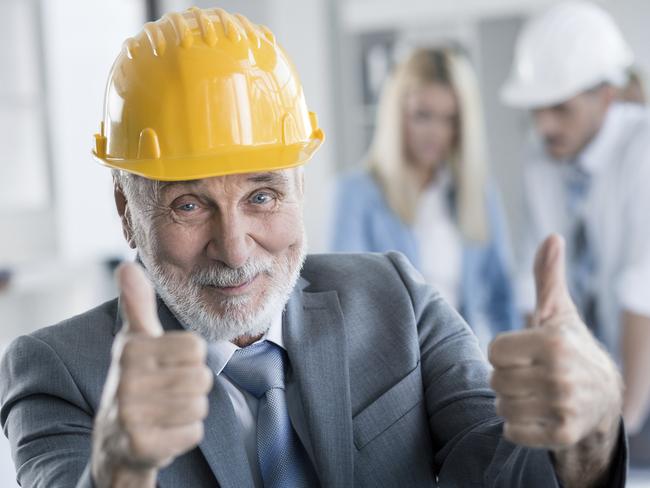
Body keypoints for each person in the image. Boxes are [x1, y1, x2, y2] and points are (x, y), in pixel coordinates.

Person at [0, 7, 628, 487]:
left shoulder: (397, 301)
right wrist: (120, 468)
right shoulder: (55, 371)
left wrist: (591, 426)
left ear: (301, 187)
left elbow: (507, 470)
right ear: (126, 214)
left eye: (263, 197)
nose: (235, 248)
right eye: (188, 205)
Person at [501, 0, 650, 466]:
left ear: (606, 96)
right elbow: (537, 283)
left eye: (560, 109)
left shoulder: (642, 150)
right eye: (536, 110)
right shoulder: (539, 159)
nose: (544, 126)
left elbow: (641, 288)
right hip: (587, 376)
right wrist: (540, 404)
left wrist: (619, 427)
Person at [331, 48, 519, 348]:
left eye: (450, 119)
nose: (436, 133)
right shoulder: (356, 194)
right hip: (393, 367)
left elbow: (502, 297)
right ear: (397, 114)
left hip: (469, 363)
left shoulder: (479, 193)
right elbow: (346, 301)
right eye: (423, 116)